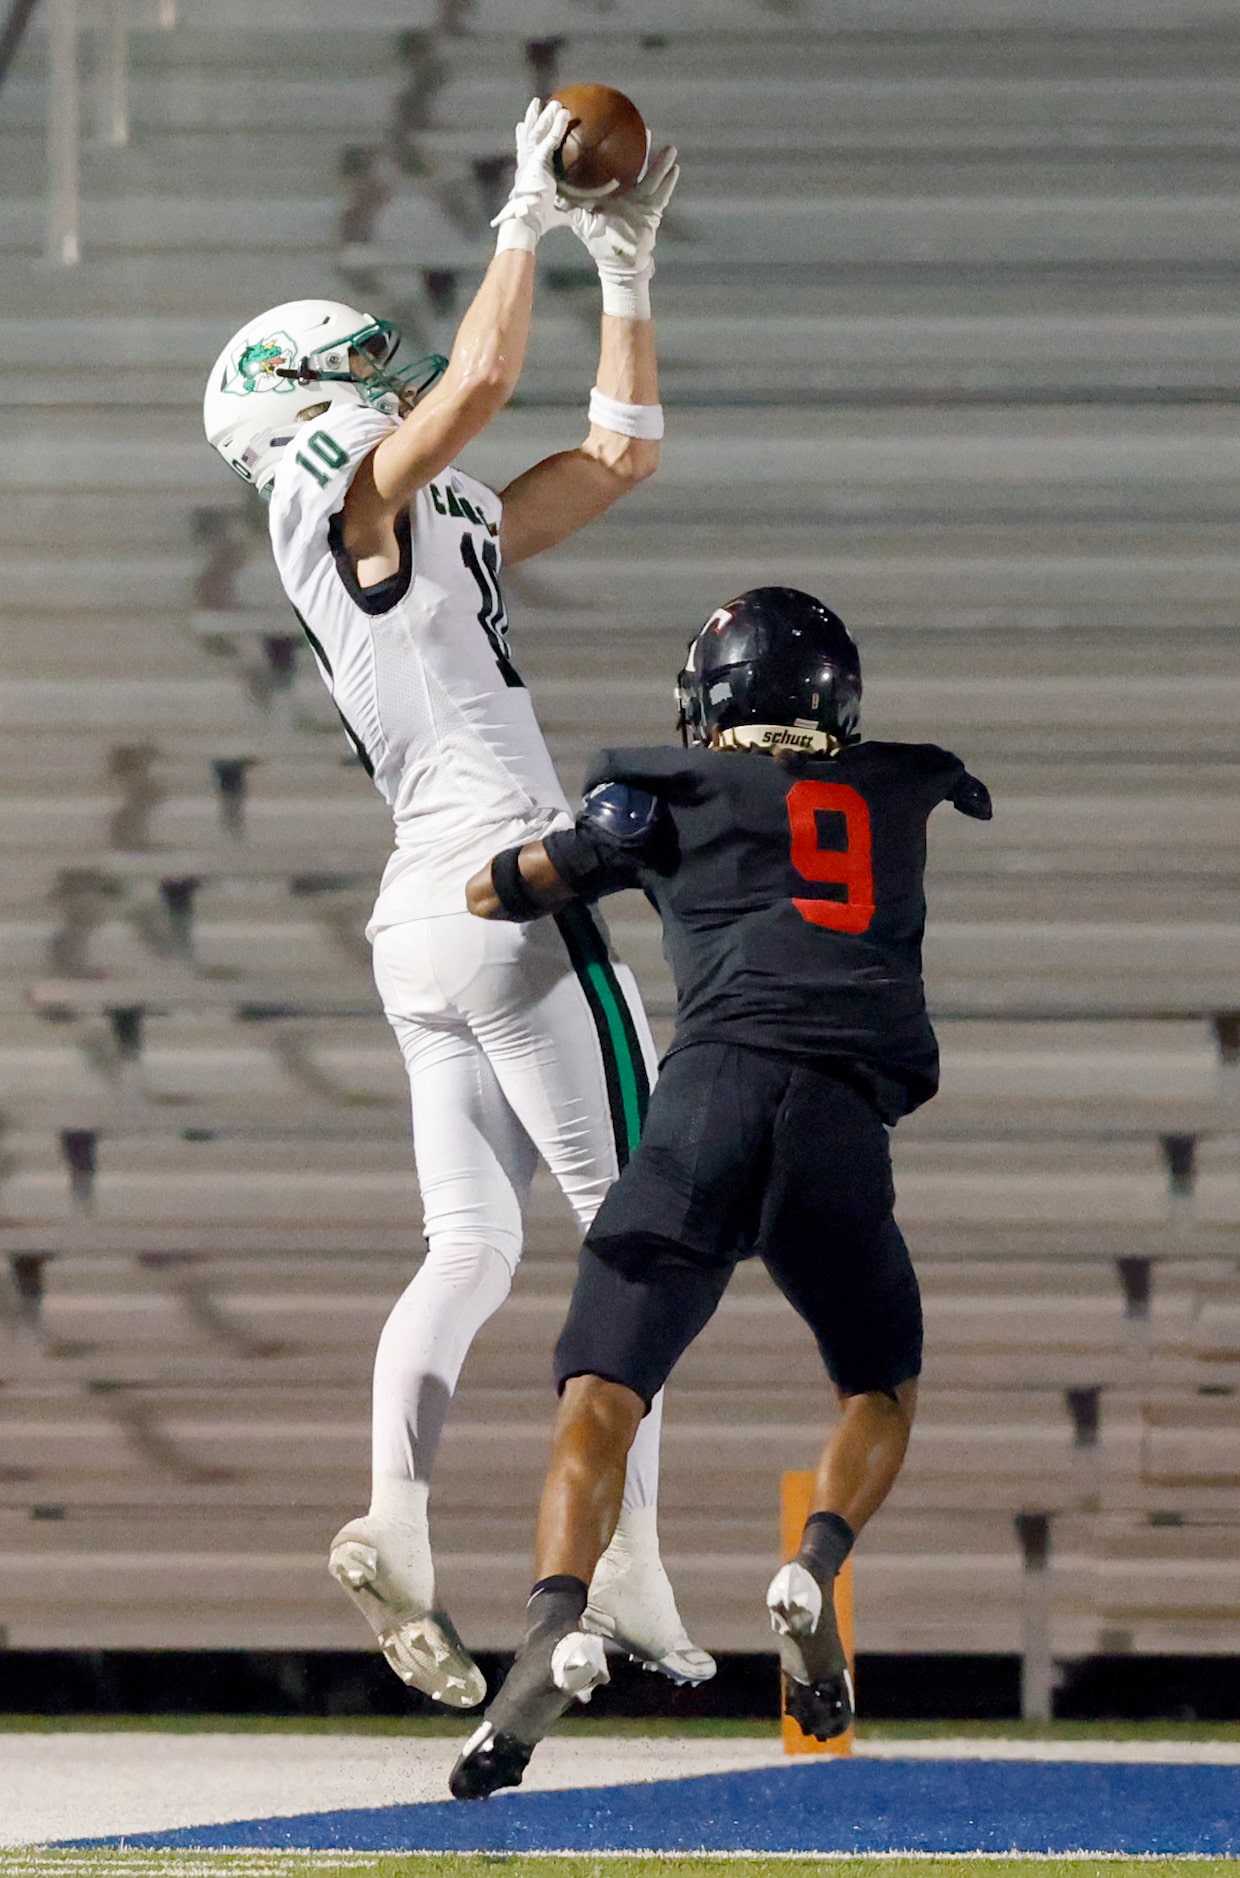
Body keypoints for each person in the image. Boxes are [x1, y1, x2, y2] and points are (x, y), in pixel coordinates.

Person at [201, 98, 712, 1708]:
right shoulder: (347, 497)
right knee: (643, 1230)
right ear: (311, 401)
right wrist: (523, 218)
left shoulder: (426, 513)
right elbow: (483, 381)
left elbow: (618, 453)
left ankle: (400, 1518)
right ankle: (623, 1560)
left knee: (470, 1244)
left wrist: (623, 266)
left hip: (416, 921)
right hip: (516, 888)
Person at [449, 585, 994, 1797]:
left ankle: (551, 1625)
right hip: (842, 1122)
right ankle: (812, 1564)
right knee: (878, 1386)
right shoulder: (903, 785)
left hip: (713, 1097)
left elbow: (498, 889)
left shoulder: (668, 792)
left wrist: (570, 839)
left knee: (601, 1392)